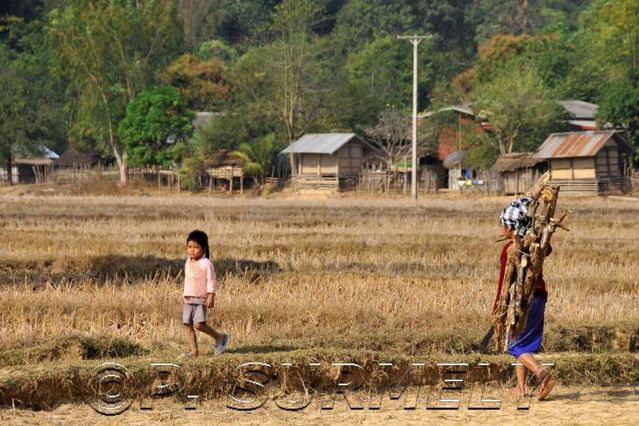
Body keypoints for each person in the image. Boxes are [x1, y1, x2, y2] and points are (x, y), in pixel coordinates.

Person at [493, 197, 556, 401]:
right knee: (523, 345)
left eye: (503, 225)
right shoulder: (535, 245)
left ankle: (543, 375)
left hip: (521, 302)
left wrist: (498, 308)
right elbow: (548, 249)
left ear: (510, 227)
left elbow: (504, 281)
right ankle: (521, 389)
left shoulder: (510, 250)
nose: (501, 228)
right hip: (539, 299)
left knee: (514, 346)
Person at [180, 230, 228, 359]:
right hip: (188, 298)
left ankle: (219, 337)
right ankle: (194, 352)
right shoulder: (188, 261)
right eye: (189, 247)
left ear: (203, 249)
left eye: (196, 247)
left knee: (199, 324)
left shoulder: (206, 263)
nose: (192, 250)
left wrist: (211, 295)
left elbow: (211, 280)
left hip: (200, 298)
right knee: (187, 324)